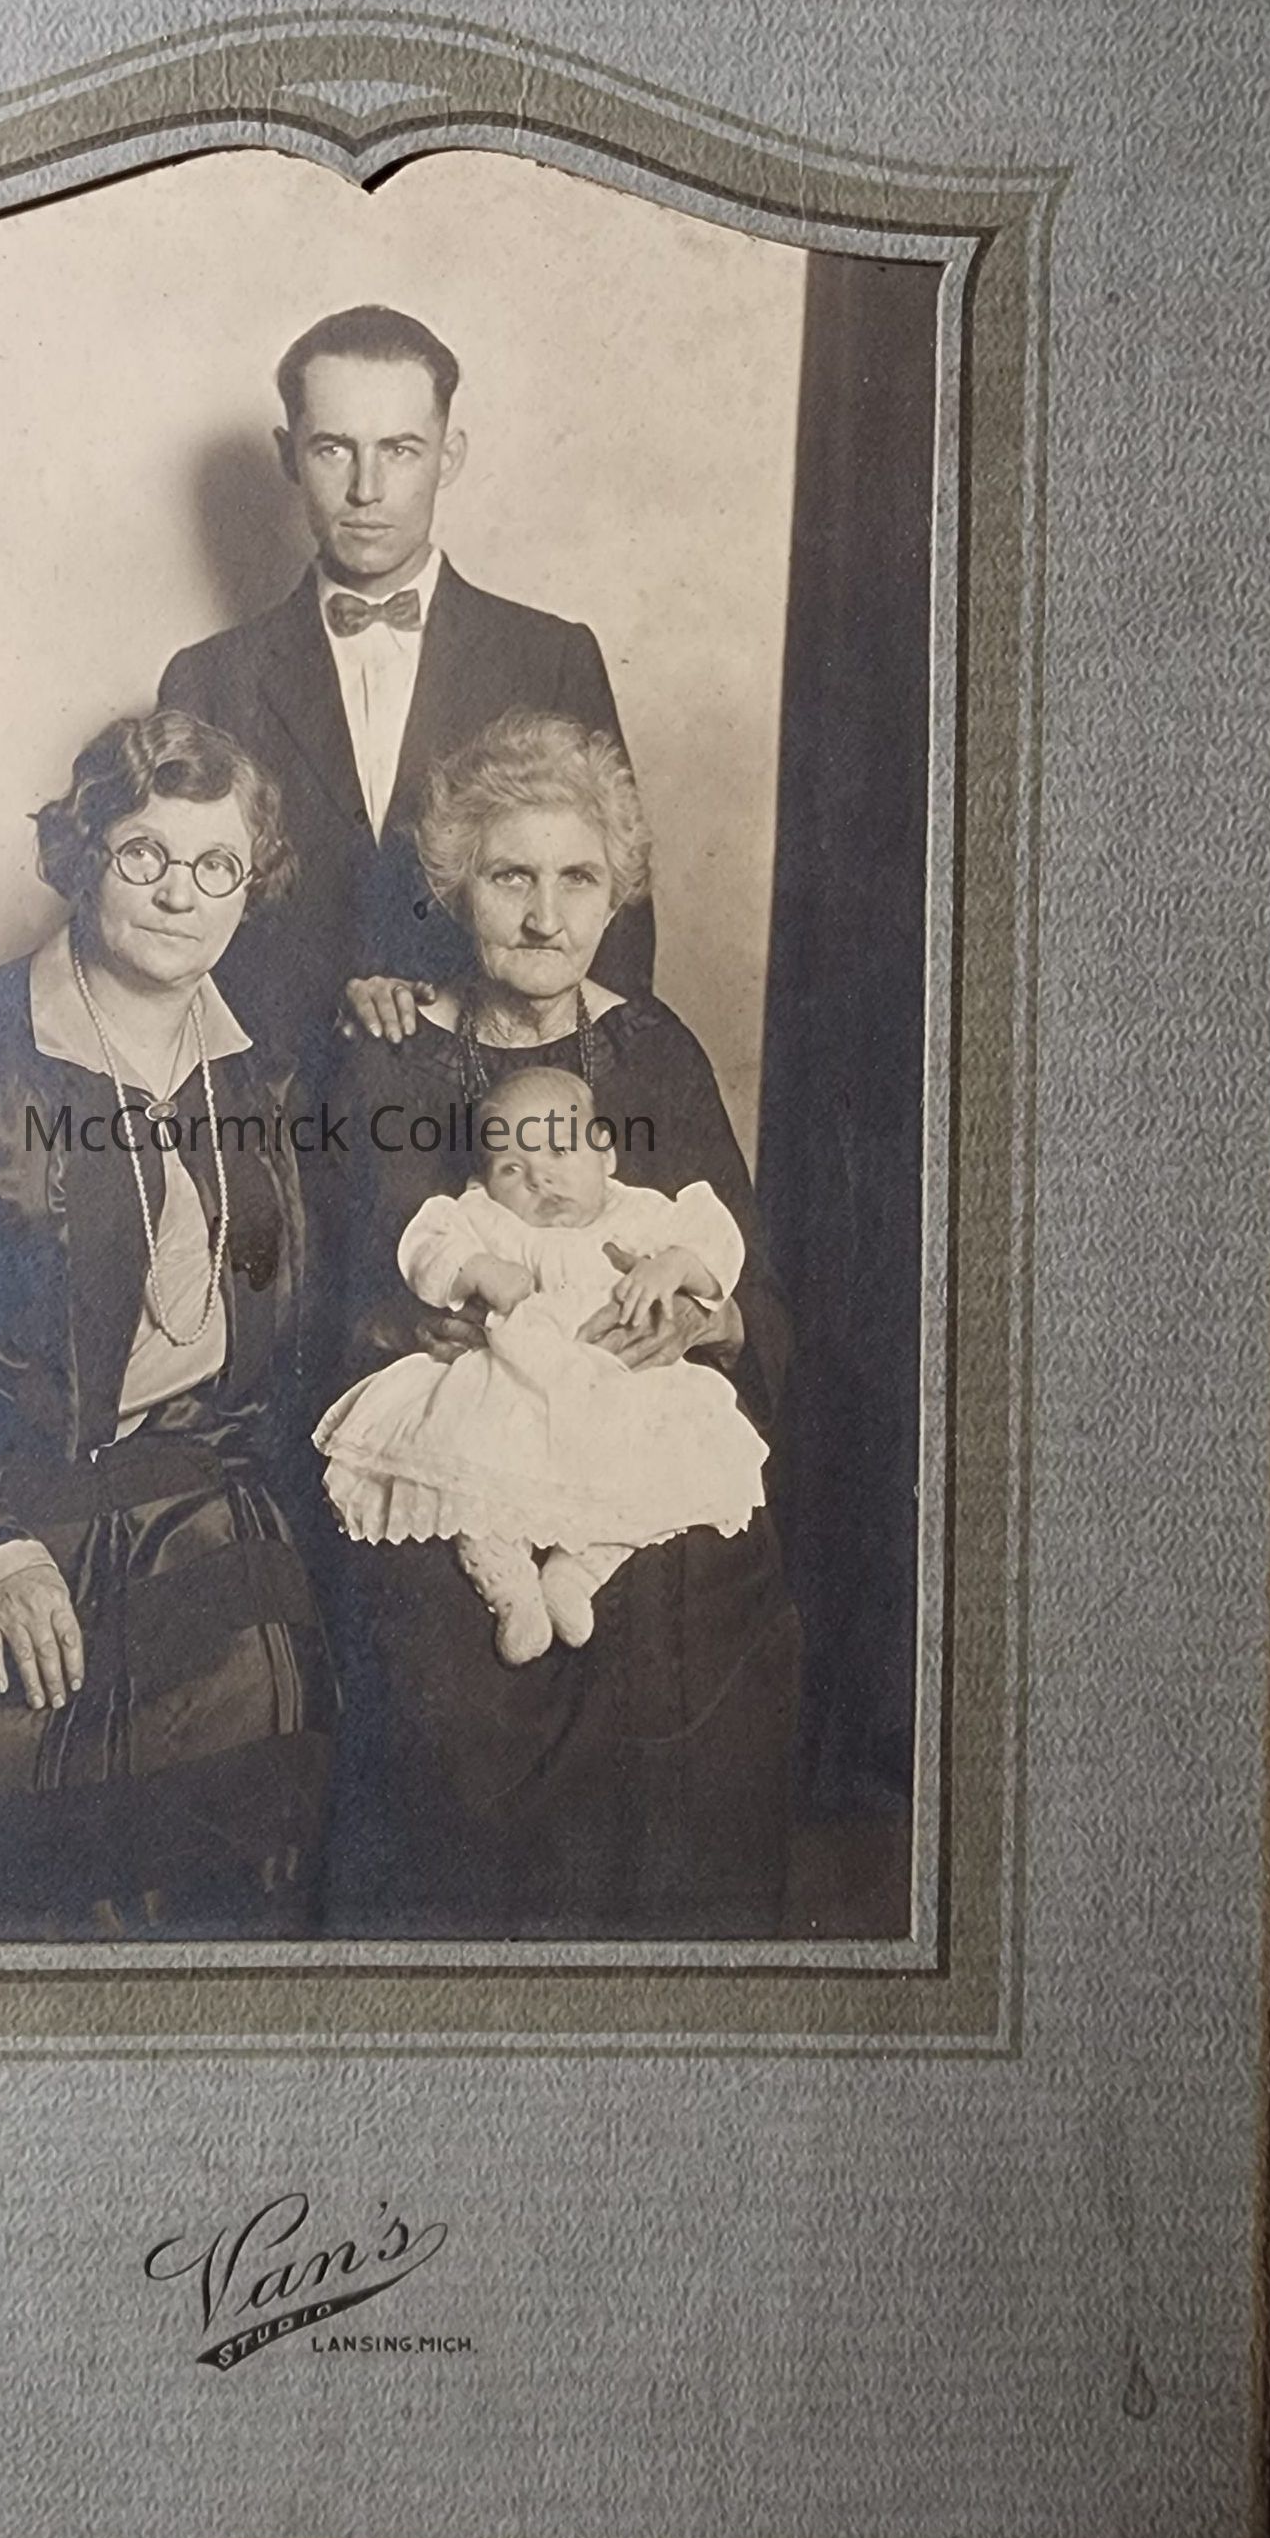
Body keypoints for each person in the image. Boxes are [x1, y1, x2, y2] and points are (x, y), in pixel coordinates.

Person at [0, 709, 333, 1939]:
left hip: (195, 1487)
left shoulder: (257, 1070)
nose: (180, 894)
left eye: (216, 864)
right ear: (83, 854)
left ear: (251, 885)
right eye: (144, 854)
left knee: (253, 1767)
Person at [321, 709, 798, 1940]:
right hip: (465, 1440)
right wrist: (409, 1332)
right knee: (443, 1615)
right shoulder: (388, 1050)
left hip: (624, 1430)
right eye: (509, 878)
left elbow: (745, 1282)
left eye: (576, 878)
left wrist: (701, 1324)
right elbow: (333, 1291)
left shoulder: (654, 1048)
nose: (544, 916)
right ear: (451, 888)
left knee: (681, 1587)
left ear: (613, 891)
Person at [158, 304, 654, 1060]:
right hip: (278, 1096)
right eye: (333, 449)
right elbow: (178, 929)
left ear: (449, 456)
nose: (367, 488)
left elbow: (618, 916)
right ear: (288, 455)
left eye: (400, 449)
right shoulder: (207, 678)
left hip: (496, 1092)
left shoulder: (551, 657)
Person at [313, 1063, 769, 1666]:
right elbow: (428, 1243)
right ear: (484, 1180)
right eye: (511, 1168)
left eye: (559, 1150)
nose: (540, 1178)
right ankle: (509, 1589)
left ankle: (576, 1575)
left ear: (605, 1152)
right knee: (468, 1471)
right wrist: (477, 1270)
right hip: (510, 1385)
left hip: (616, 1389)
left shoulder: (641, 1214)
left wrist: (673, 1267)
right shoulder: (488, 1218)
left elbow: (715, 1242)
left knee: (651, 1482)